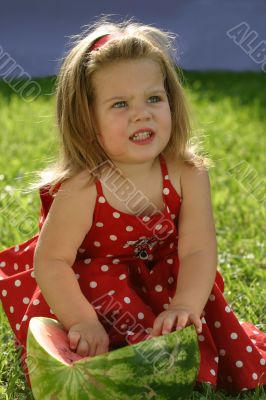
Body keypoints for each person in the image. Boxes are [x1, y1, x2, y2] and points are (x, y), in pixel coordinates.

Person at [0, 17, 265, 394]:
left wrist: (185, 305)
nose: (141, 113)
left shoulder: (188, 173)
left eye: (154, 98)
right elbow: (51, 261)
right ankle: (109, 353)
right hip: (93, 292)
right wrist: (81, 322)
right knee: (97, 318)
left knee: (198, 315)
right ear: (87, 120)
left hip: (167, 282)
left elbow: (198, 248)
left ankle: (178, 347)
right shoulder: (84, 185)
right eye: (120, 104)